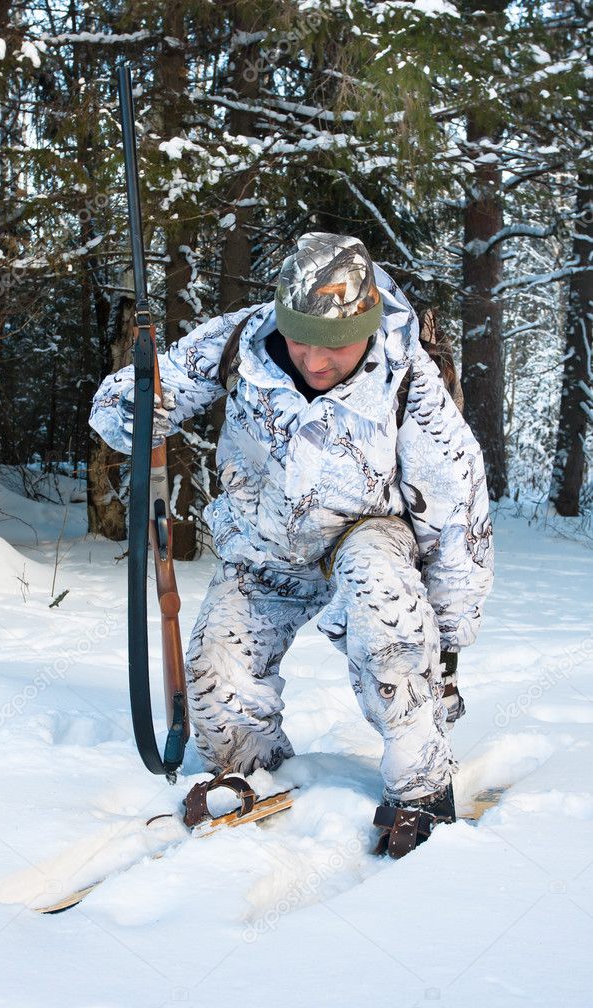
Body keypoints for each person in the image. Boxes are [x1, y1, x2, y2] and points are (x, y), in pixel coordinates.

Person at [90, 233, 494, 858]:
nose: (314, 359)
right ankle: (258, 775)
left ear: (366, 326)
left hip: (365, 534)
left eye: (334, 344)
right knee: (215, 679)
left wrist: (446, 642)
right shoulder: (241, 341)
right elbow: (121, 408)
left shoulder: (409, 378)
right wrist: (137, 401)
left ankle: (421, 787)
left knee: (390, 633)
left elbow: (456, 513)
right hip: (264, 548)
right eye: (300, 339)